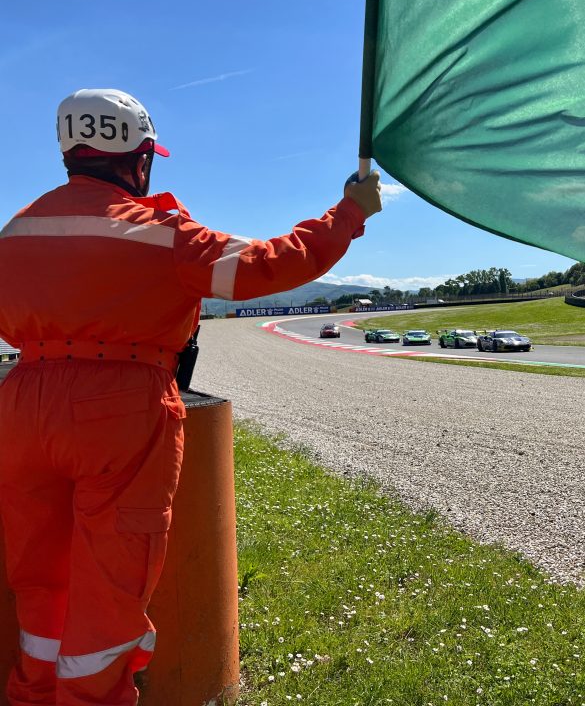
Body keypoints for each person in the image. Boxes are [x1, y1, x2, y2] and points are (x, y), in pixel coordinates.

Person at [0, 88, 382, 705]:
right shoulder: (162, 233)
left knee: (39, 577)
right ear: (139, 160)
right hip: (120, 409)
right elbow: (269, 263)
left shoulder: (16, 230)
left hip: (21, 405)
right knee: (110, 589)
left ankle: (29, 695)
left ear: (69, 152)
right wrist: (349, 212)